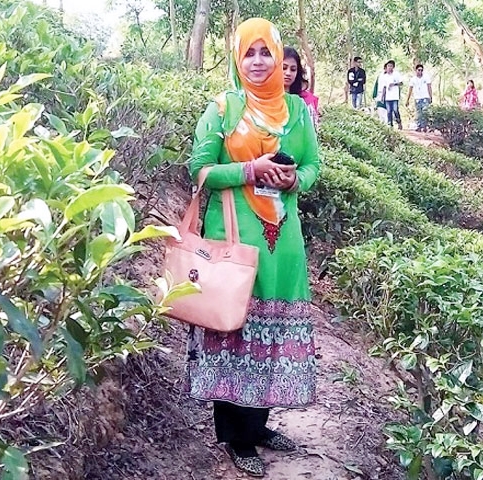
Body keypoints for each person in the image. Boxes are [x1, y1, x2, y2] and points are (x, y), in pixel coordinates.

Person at [186, 18, 320, 478]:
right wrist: (250, 170)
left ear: (279, 58)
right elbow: (200, 170)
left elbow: (313, 165)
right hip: (233, 238)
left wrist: (293, 179)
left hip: (283, 241)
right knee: (234, 329)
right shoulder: (223, 108)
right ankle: (236, 438)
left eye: (267, 53)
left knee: (271, 333)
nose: (259, 62)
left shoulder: (297, 111)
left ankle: (258, 426)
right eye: (249, 53)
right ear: (237, 59)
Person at [283, 47, 319, 127]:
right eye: (284, 68)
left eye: (293, 69)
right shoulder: (264, 99)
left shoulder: (306, 102)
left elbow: (311, 131)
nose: (288, 73)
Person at [406, 63, 432, 132]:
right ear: (416, 70)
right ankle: (419, 126)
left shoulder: (426, 77)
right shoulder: (413, 79)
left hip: (425, 97)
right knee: (419, 112)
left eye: (421, 70)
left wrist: (430, 96)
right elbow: (410, 89)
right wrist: (407, 100)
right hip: (417, 98)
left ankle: (425, 126)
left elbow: (429, 87)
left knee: (425, 111)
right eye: (419, 70)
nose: (420, 71)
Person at [378, 60, 403, 129]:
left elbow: (401, 83)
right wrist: (382, 97)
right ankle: (390, 125)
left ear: (393, 67)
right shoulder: (385, 76)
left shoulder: (396, 74)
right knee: (389, 111)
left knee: (395, 110)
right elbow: (384, 87)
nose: (389, 67)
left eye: (391, 66)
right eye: (388, 66)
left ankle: (399, 122)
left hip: (395, 96)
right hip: (388, 97)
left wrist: (394, 84)